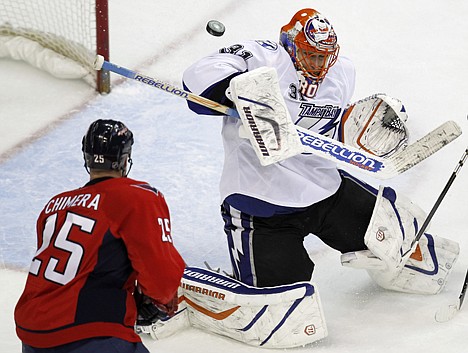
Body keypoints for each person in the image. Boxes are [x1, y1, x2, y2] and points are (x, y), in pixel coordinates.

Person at [182, 8, 459, 293]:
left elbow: (331, 130)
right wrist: (238, 91)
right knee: (280, 298)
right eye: (312, 55)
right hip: (262, 202)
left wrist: (359, 129)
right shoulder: (262, 57)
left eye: (325, 56)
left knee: (402, 246)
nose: (319, 63)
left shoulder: (342, 72)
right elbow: (195, 82)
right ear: (291, 46)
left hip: (324, 189)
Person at [15, 119, 186, 353]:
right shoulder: (137, 197)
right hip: (90, 332)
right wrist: (156, 302)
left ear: (87, 158)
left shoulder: (54, 205)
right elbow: (162, 277)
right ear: (125, 160)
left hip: (32, 334)